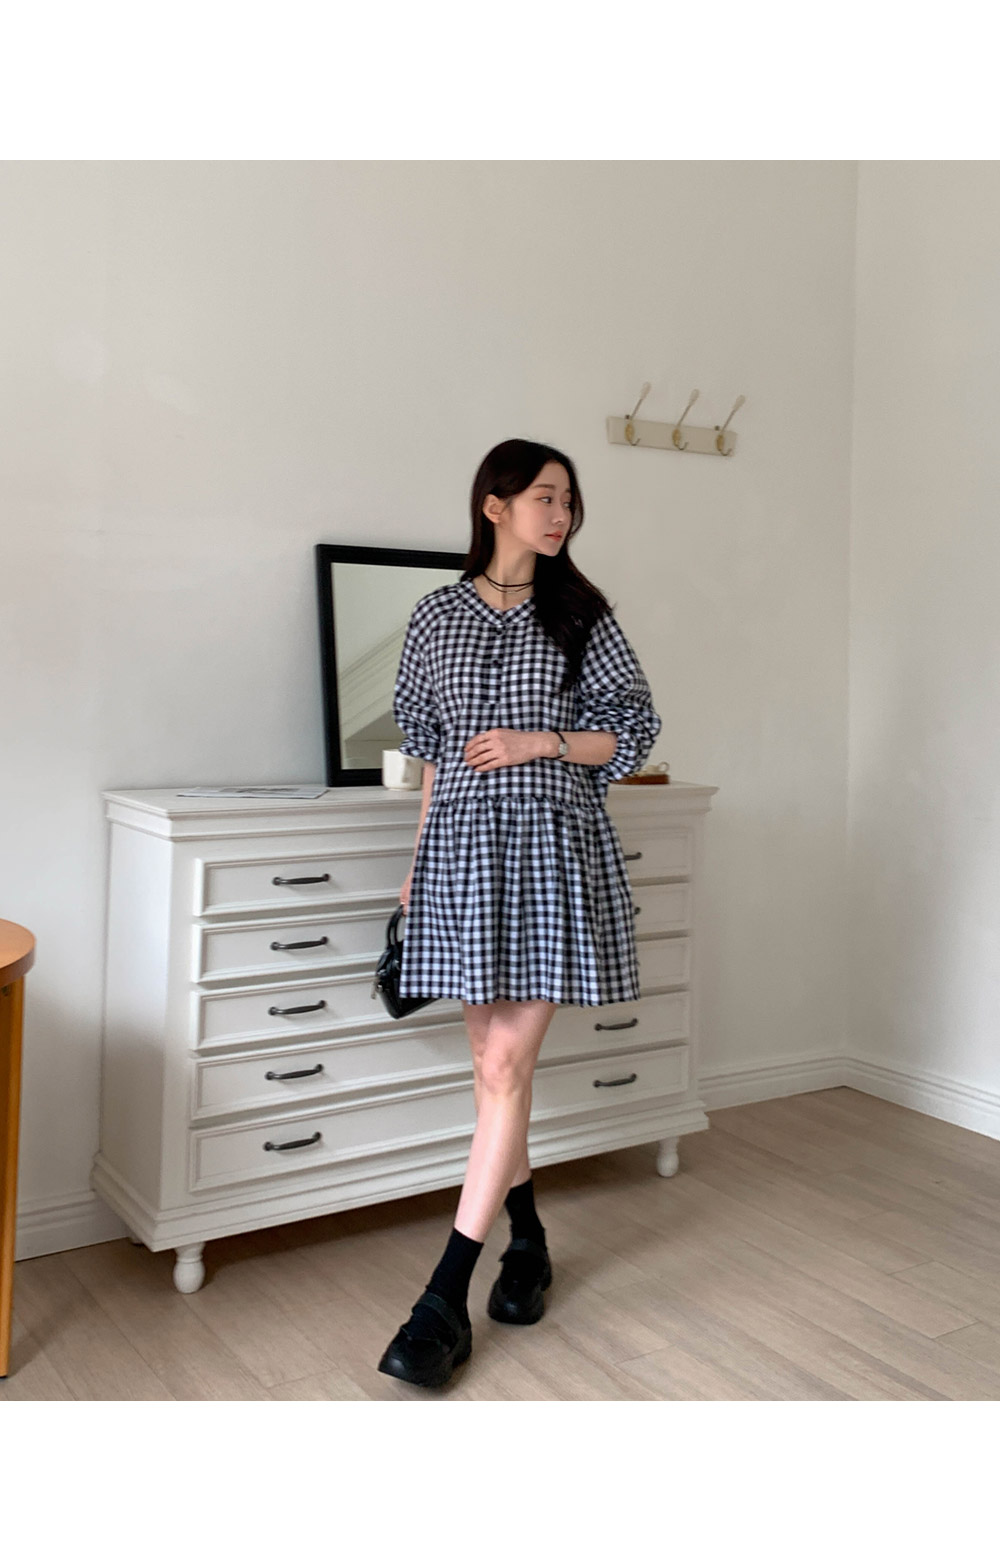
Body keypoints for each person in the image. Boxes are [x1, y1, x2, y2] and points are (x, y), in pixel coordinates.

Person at [377, 437, 662, 1388]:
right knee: (492, 1071)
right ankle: (528, 1242)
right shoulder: (435, 616)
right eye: (545, 496)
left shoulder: (580, 614)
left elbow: (632, 730)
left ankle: (440, 1303)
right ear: (494, 505)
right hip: (461, 857)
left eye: (569, 500)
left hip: (551, 853)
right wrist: (417, 871)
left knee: (505, 1067)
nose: (562, 514)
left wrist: (545, 739)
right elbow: (431, 755)